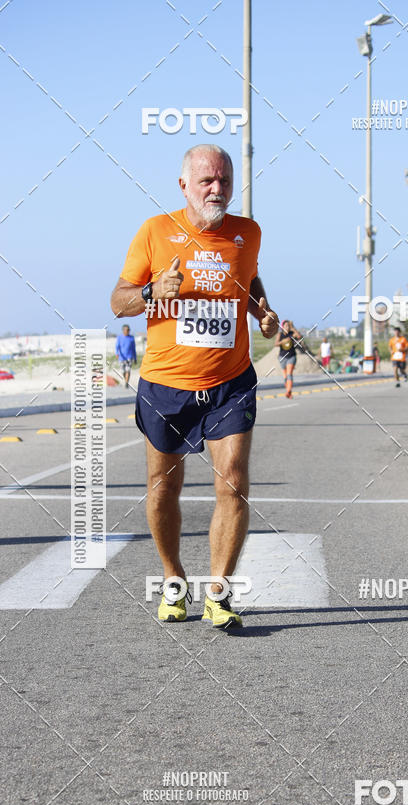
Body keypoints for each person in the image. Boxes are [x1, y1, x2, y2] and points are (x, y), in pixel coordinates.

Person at [110, 144, 279, 626]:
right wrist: (150, 291)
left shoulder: (248, 233)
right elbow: (118, 301)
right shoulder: (155, 232)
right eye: (206, 180)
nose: (217, 189)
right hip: (166, 384)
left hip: (230, 382)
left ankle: (220, 592)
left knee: (236, 482)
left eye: (224, 180)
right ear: (183, 184)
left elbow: (249, 280)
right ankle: (173, 578)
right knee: (163, 488)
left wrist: (263, 312)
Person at [275, 319, 303, 398]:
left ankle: (288, 391)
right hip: (282, 357)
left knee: (289, 373)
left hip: (291, 356)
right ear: (282, 327)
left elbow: (299, 336)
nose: (287, 327)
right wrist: (283, 341)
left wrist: (293, 328)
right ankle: (289, 392)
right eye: (286, 326)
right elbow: (276, 344)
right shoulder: (280, 335)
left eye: (288, 326)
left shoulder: (292, 334)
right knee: (285, 376)